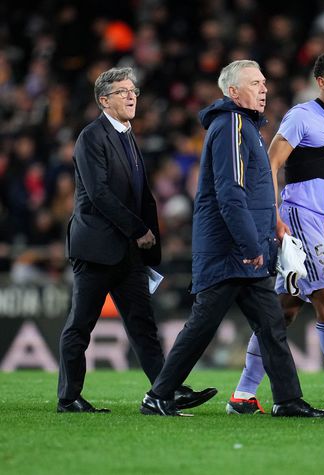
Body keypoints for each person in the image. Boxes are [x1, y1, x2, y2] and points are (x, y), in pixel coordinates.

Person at [139, 60, 324, 418]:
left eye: (264, 82)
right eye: (255, 83)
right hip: (232, 251)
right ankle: (159, 394)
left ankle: (288, 400)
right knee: (203, 325)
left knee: (272, 325)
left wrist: (271, 226)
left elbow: (253, 192)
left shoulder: (244, 126)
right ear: (233, 92)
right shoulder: (231, 125)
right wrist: (249, 245)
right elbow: (231, 192)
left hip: (247, 250)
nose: (264, 88)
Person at [227, 50, 324, 417]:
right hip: (297, 217)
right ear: (321, 81)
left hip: (318, 221)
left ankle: (243, 395)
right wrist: (274, 215)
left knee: (284, 311)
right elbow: (271, 162)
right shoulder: (301, 115)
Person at [57, 67, 215, 413]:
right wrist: (138, 229)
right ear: (104, 100)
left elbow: (140, 195)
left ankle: (165, 391)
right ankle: (68, 397)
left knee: (143, 326)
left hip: (128, 252)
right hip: (97, 248)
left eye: (134, 91)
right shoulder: (91, 136)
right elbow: (98, 193)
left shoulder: (127, 135)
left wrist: (150, 237)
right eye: (123, 91)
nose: (132, 96)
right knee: (80, 325)